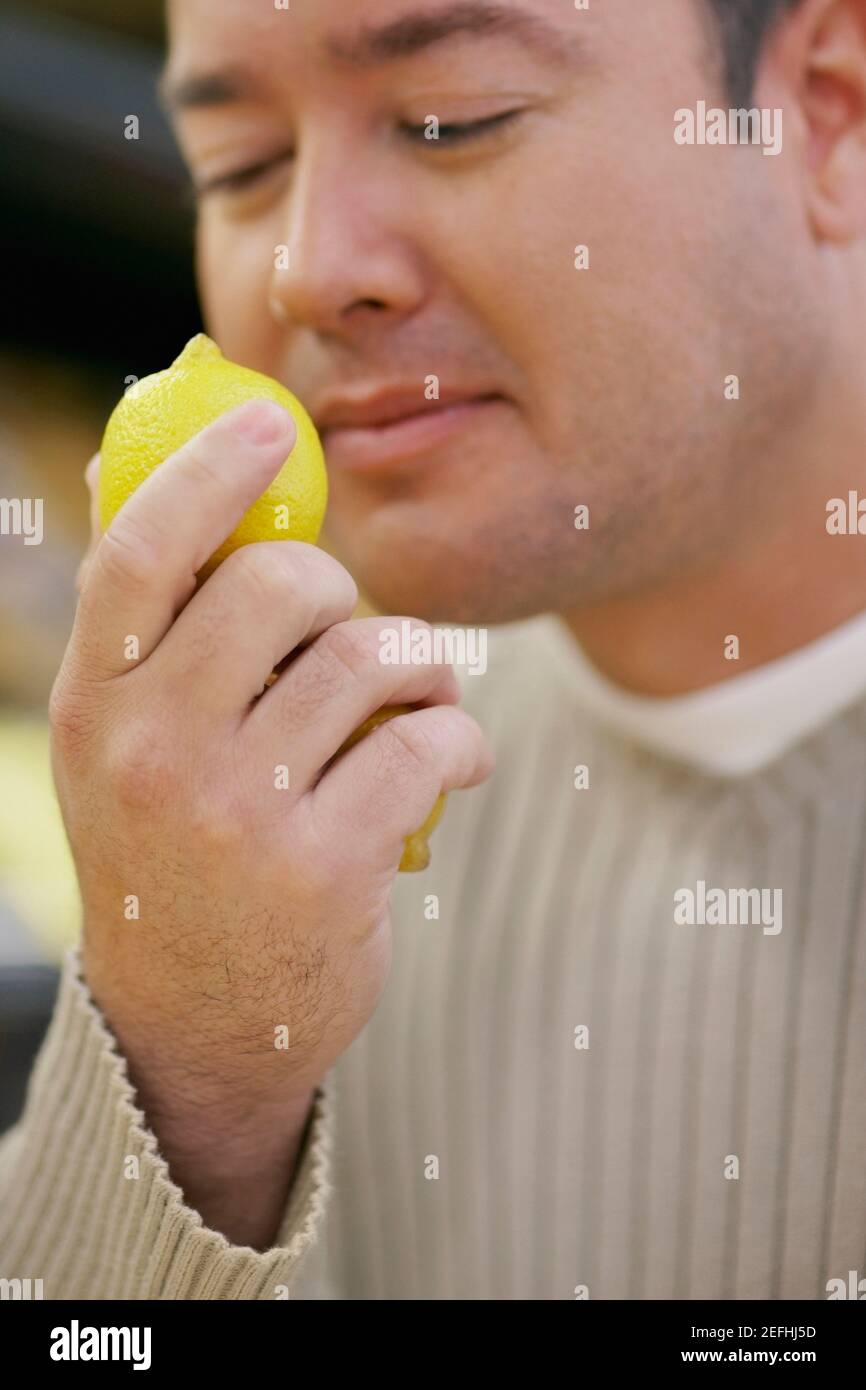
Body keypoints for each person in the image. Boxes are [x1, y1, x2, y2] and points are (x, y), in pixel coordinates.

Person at [1, 0, 864, 1300]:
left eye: (449, 119)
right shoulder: (277, 817)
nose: (297, 270)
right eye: (237, 166)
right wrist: (184, 1077)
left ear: (828, 110)